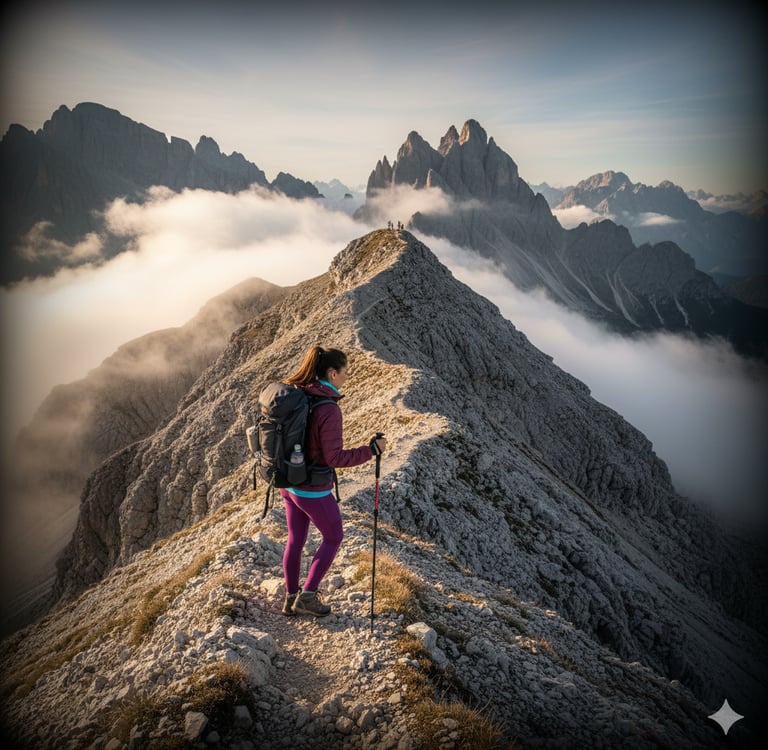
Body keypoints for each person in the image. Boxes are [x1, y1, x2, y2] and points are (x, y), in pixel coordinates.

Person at [280, 345, 387, 617]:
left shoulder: (302, 394)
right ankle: (307, 597)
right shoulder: (328, 408)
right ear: (332, 373)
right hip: (312, 488)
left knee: (295, 539)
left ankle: (290, 598)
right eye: (345, 372)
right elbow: (335, 458)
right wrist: (371, 451)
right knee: (333, 536)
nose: (347, 377)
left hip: (289, 483)